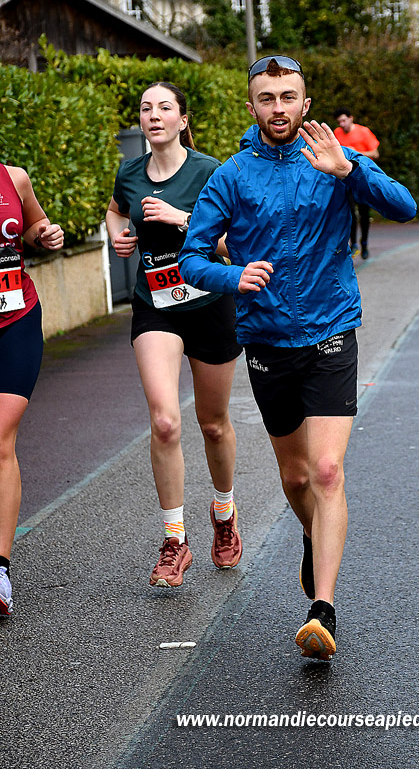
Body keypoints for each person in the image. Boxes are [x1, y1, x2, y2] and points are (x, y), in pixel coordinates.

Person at [179, 55, 417, 660]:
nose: (279, 107)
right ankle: (315, 538)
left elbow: (404, 207)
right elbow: (192, 258)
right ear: (252, 106)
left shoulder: (334, 159)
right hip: (266, 340)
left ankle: (323, 609)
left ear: (305, 104)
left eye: (289, 97)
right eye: (268, 98)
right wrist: (233, 277)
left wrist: (350, 170)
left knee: (327, 470)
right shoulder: (232, 175)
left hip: (332, 330)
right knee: (295, 477)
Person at [105, 82, 243, 590]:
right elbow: (116, 209)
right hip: (155, 306)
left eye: (165, 108)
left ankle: (224, 513)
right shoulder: (130, 173)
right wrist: (118, 236)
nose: (154, 115)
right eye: (146, 108)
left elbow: (233, 244)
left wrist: (181, 219)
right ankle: (174, 540)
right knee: (164, 422)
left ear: (183, 120)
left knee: (213, 424)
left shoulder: (209, 172)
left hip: (209, 304)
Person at [0, 163, 64, 615]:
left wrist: (44, 234)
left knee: (1, 435)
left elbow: (34, 225)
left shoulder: (14, 178)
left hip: (17, 318)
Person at [333, 108, 380, 259]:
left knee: (364, 213)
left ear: (351, 118)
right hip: (346, 178)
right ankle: (353, 244)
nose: (342, 124)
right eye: (339, 122)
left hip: (363, 177)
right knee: (349, 211)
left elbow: (375, 153)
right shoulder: (337, 133)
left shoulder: (363, 132)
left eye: (344, 120)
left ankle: (364, 243)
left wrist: (355, 152)